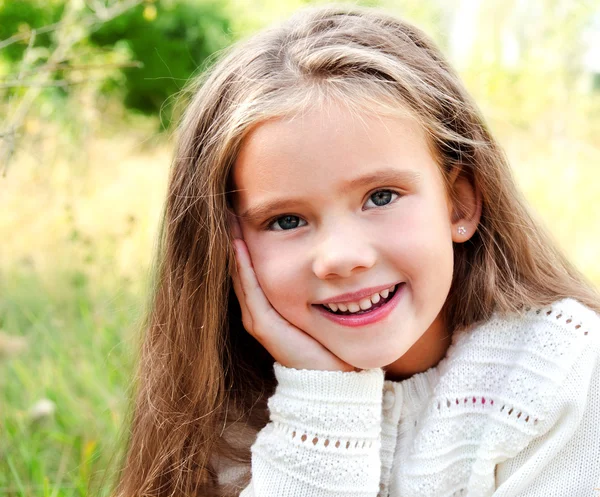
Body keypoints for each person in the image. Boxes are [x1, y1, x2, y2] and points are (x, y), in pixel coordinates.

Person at [113, 4, 600, 496]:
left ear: (459, 203)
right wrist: (320, 407)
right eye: (286, 220)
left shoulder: (562, 372)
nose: (342, 256)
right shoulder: (223, 406)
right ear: (222, 247)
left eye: (381, 197)